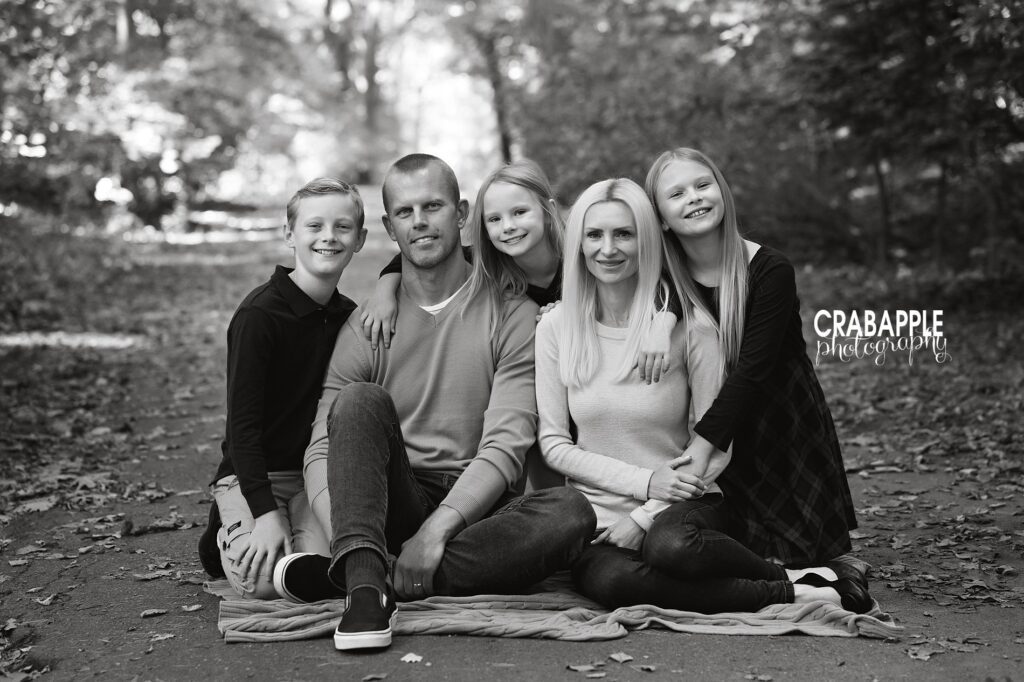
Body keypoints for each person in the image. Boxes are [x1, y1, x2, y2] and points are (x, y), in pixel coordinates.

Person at [274, 154, 596, 652]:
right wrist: (349, 530)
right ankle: (365, 586)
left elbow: (506, 446)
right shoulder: (367, 326)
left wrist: (435, 534)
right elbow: (323, 446)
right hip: (389, 496)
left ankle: (376, 569)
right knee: (359, 401)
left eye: (433, 206)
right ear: (388, 226)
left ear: (462, 214)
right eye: (404, 212)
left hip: (478, 509)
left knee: (570, 512)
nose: (420, 222)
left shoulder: (514, 313)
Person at [535, 177, 871, 614]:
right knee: (609, 580)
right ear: (578, 244)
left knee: (671, 547)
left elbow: (715, 440)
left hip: (687, 503)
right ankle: (797, 587)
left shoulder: (691, 327)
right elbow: (554, 445)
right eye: (594, 235)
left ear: (648, 240)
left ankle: (785, 580)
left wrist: (648, 510)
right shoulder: (556, 328)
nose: (608, 249)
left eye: (624, 234)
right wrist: (639, 486)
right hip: (599, 514)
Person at [645, 147, 860, 570]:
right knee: (723, 536)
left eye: (703, 185)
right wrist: (659, 322)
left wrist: (702, 449)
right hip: (711, 412)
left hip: (777, 415)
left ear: (722, 192)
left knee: (792, 548)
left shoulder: (769, 270)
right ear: (660, 217)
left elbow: (753, 371)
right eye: (677, 193)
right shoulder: (665, 277)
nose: (694, 197)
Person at [360, 159, 676, 385]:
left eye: (520, 212)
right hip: (533, 382)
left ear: (548, 211)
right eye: (495, 219)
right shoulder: (489, 266)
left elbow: (660, 280)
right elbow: (411, 260)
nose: (508, 227)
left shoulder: (587, 255)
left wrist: (662, 323)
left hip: (598, 376)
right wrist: (384, 291)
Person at [197, 178, 367, 599]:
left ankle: (286, 532)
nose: (329, 236)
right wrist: (265, 512)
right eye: (315, 226)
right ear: (290, 234)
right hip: (253, 474)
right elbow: (242, 428)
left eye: (342, 227)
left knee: (333, 566)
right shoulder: (260, 316)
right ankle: (224, 531)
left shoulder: (349, 317)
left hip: (315, 474)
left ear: (360, 239)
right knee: (260, 579)